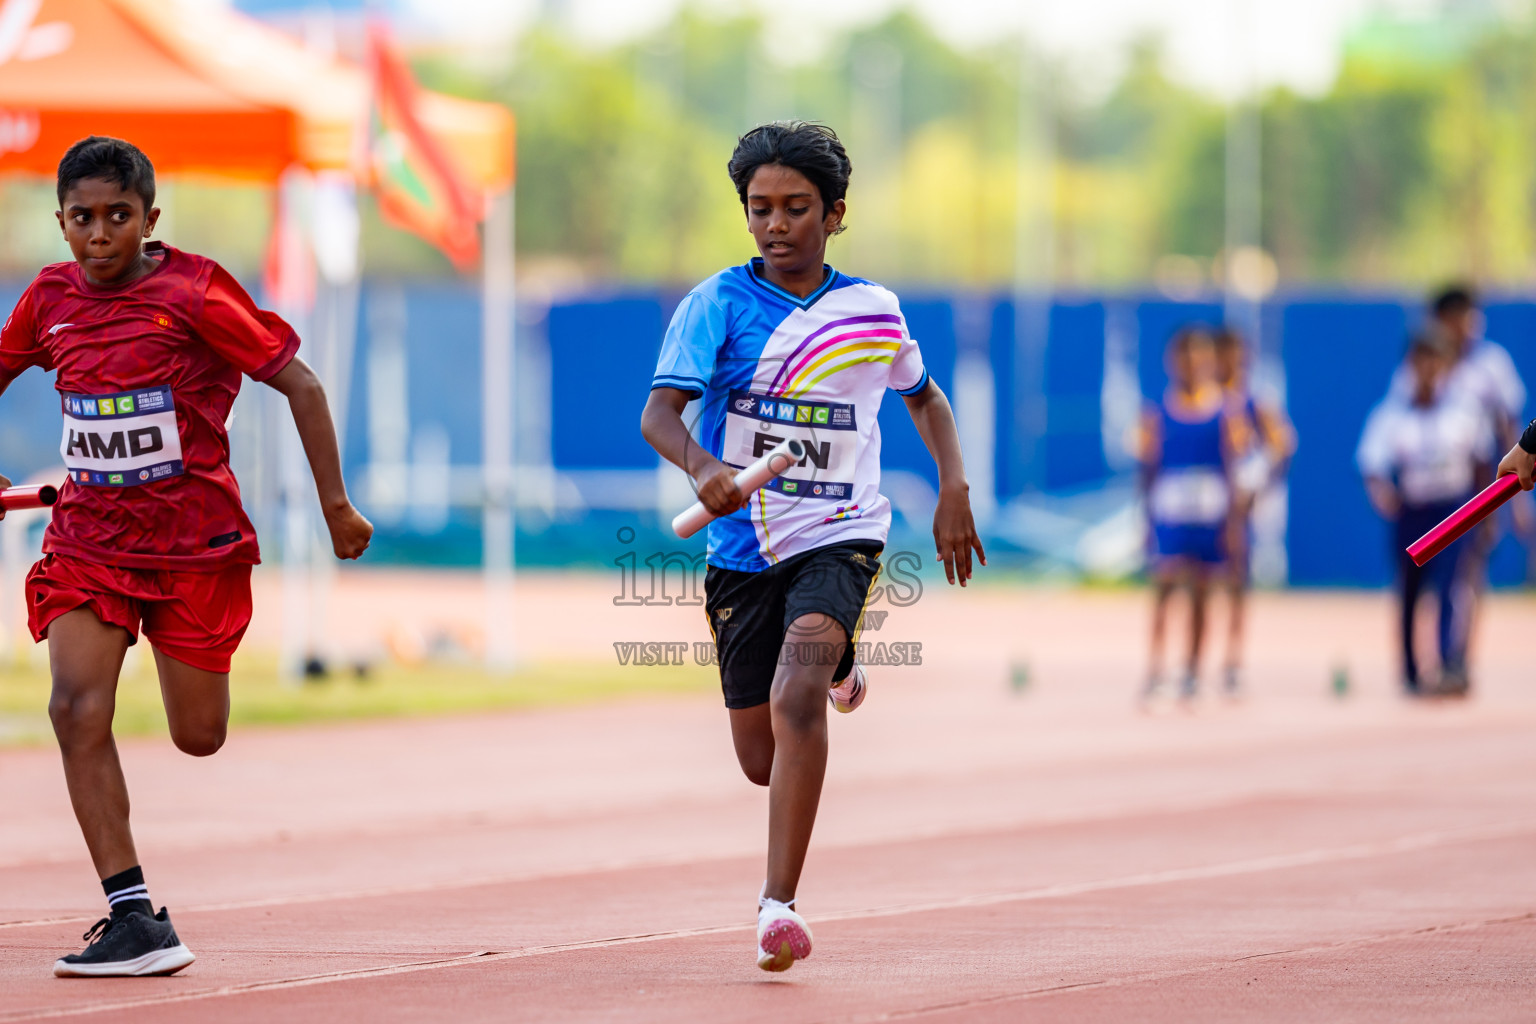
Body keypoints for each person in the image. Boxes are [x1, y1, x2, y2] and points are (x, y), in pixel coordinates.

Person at [0, 137, 373, 977]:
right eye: (82, 219)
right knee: (73, 708)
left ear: (150, 218)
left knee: (198, 736)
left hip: (193, 546)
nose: (99, 236)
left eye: (117, 217)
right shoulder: (47, 299)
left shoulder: (195, 291)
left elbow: (302, 385)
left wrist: (335, 507)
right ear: (59, 222)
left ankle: (139, 910)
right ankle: (133, 916)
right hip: (88, 542)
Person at [640, 122, 984, 972]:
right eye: (760, 209)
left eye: (797, 208)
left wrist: (952, 488)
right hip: (741, 547)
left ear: (835, 215)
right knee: (760, 759)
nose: (776, 225)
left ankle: (776, 907)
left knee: (796, 697)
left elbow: (925, 398)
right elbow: (659, 416)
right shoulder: (715, 305)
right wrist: (703, 465)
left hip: (842, 533)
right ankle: (839, 670)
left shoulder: (870, 311)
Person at [1358, 331, 1491, 696]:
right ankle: (1411, 670)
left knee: (1452, 586)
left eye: (1436, 361)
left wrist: (1485, 512)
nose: (1429, 370)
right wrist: (1382, 492)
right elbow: (1372, 462)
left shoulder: (1464, 411)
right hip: (1413, 511)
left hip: (1454, 507)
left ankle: (1450, 662)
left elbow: (1482, 462)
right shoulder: (1392, 414)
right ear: (1410, 366)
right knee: (1411, 592)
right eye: (1422, 361)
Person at [1139, 326, 1244, 704]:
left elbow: (1234, 468)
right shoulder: (1157, 412)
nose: (1192, 364)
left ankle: (1193, 670)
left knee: (1202, 593)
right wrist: (1146, 520)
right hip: (1171, 512)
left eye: (1199, 357)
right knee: (1164, 589)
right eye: (1184, 356)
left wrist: (1233, 521)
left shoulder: (1226, 411)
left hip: (1209, 514)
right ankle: (1155, 669)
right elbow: (1147, 469)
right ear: (1171, 362)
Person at [1212, 327, 1294, 697]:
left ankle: (1232, 660)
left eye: (1236, 355)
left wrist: (1259, 486)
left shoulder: (1254, 404)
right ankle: (1194, 659)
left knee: (1235, 584)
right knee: (1190, 584)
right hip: (1204, 507)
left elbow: (1282, 447)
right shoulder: (1204, 402)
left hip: (1236, 509)